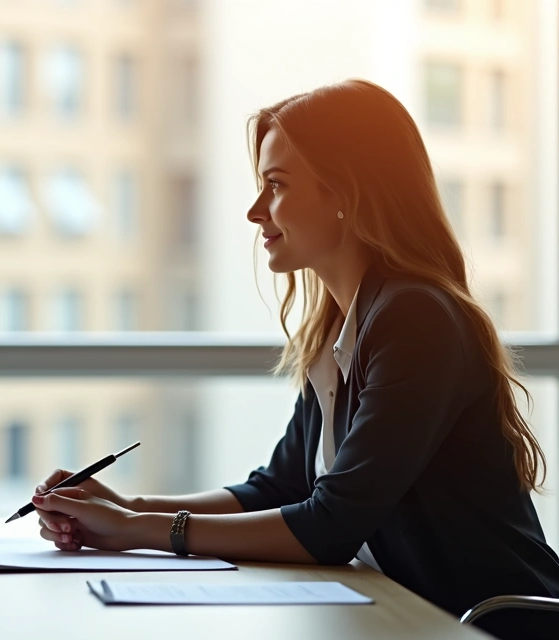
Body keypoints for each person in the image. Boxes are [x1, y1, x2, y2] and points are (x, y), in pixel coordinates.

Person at [29, 79, 559, 640]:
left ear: (345, 196)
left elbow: (329, 524)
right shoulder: (343, 323)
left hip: (494, 626)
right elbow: (278, 489)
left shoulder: (415, 319)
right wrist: (126, 505)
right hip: (407, 617)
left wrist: (137, 529)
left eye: (276, 185)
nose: (256, 211)